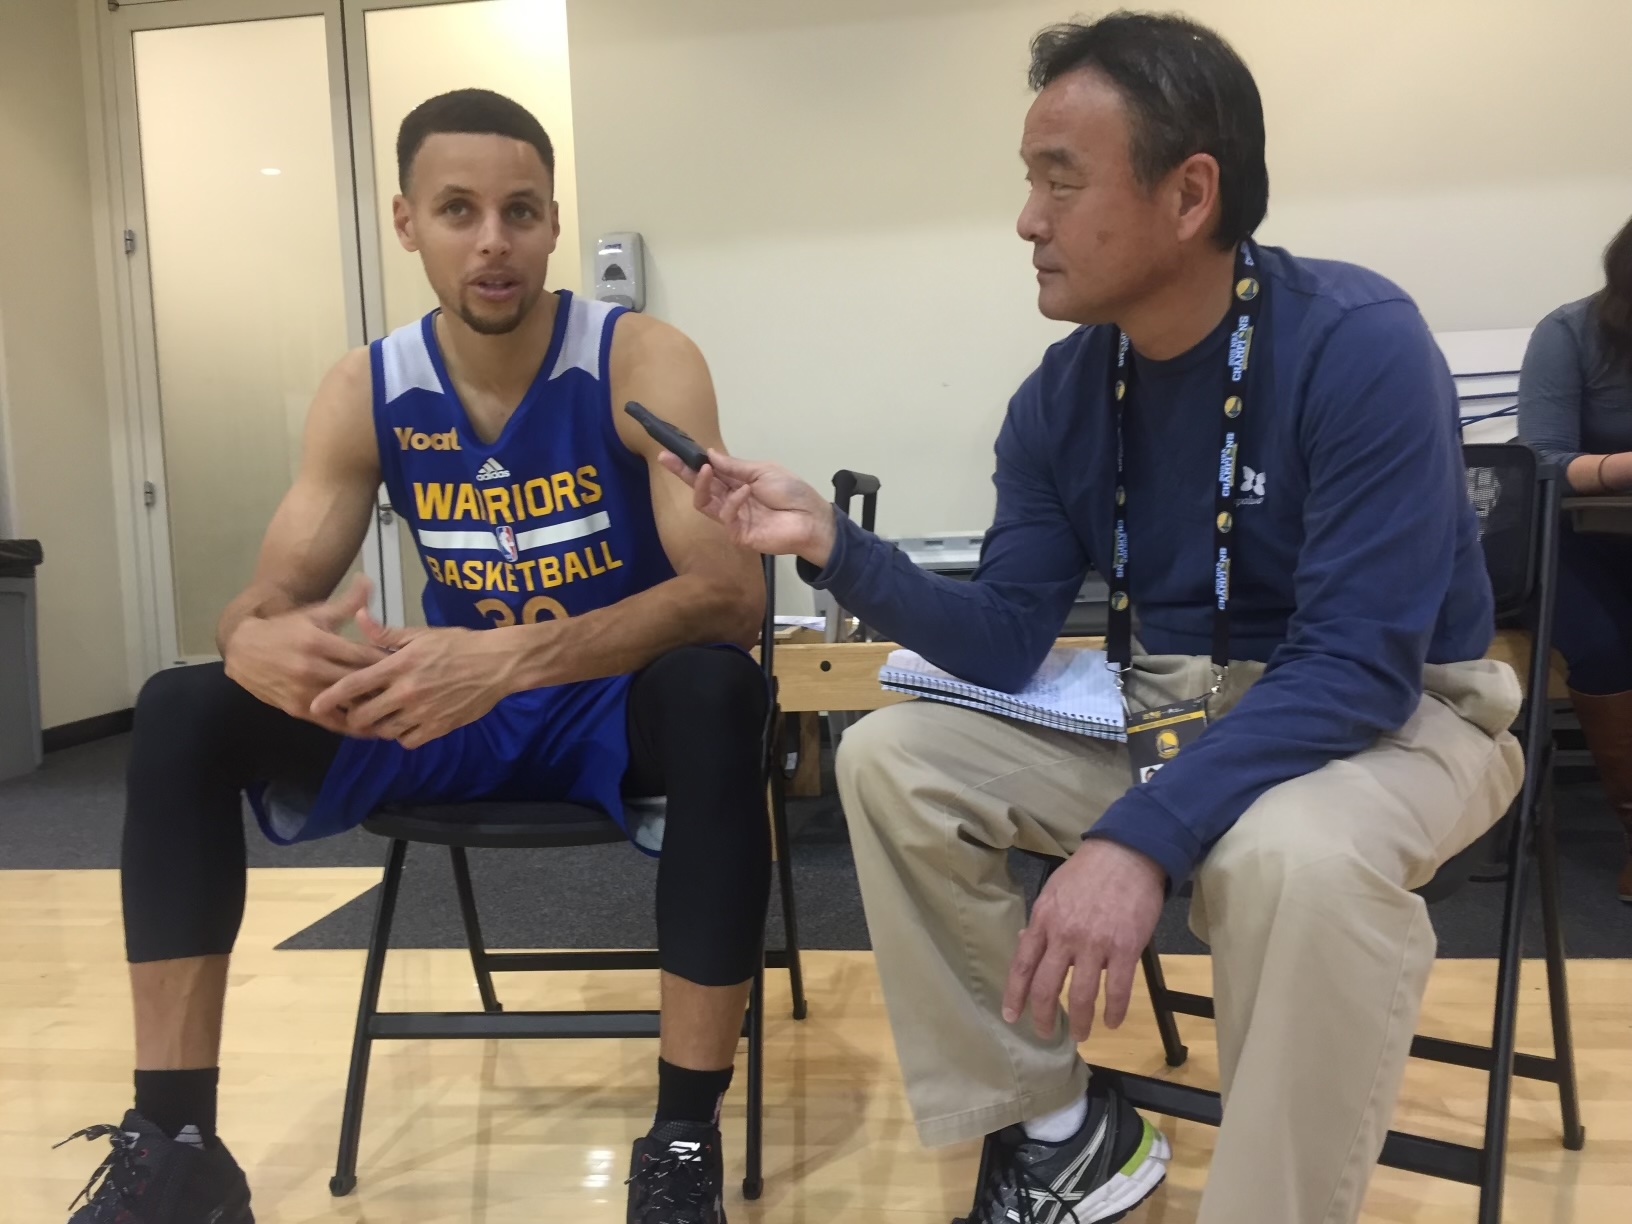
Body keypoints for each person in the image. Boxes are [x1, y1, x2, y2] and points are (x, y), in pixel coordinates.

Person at [665, 14, 1524, 1224]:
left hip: (1395, 718)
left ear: (1190, 194)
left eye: (1058, 180)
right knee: (893, 761)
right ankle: (1061, 1133)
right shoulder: (1064, 394)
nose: (1026, 219)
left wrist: (1137, 837)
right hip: (1171, 705)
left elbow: (1354, 671)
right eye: (1029, 181)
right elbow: (1010, 634)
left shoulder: (1357, 344)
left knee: (1297, 857)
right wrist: (834, 548)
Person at [58, 89, 768, 1224]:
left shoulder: (639, 358)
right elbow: (271, 591)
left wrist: (515, 660)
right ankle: (177, 1137)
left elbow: (730, 595)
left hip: (605, 705)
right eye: (459, 210)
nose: (494, 240)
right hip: (442, 707)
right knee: (183, 707)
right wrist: (253, 637)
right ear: (408, 224)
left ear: (549, 224)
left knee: (722, 692)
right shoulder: (368, 386)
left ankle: (680, 1142)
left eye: (521, 212)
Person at [1517, 212, 1632, 904]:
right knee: (1607, 646)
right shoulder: (1570, 335)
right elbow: (1541, 461)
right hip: (1579, 540)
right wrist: (1623, 467)